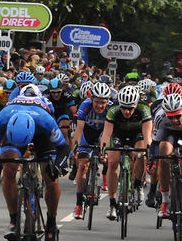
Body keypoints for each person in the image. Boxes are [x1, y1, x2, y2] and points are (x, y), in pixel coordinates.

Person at [0, 87, 70, 241]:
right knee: (8, 168)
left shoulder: (46, 121)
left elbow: (64, 148)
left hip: (42, 135)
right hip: (14, 131)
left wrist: (59, 165)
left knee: (51, 177)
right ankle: (14, 220)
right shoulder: (2, 118)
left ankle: (51, 225)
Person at [99, 85, 152, 220]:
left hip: (137, 134)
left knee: (141, 156)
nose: (126, 112)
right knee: (112, 163)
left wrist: (148, 149)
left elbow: (147, 134)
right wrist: (103, 150)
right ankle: (112, 204)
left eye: (130, 108)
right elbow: (106, 133)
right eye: (123, 107)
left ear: (136, 104)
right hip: (118, 134)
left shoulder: (144, 109)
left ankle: (138, 184)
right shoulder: (113, 110)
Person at [71, 82, 112, 219]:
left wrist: (105, 151)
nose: (100, 106)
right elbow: (79, 128)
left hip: (103, 133)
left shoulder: (111, 108)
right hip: (87, 133)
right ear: (92, 99)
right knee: (82, 165)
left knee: (106, 156)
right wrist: (76, 147)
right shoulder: (85, 105)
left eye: (103, 102)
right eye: (97, 102)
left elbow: (109, 132)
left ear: (108, 101)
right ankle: (78, 204)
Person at [150, 93, 182, 218]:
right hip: (168, 133)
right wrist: (152, 160)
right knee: (163, 158)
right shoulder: (160, 117)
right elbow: (155, 143)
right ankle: (165, 200)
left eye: (177, 116)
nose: (174, 120)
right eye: (170, 117)